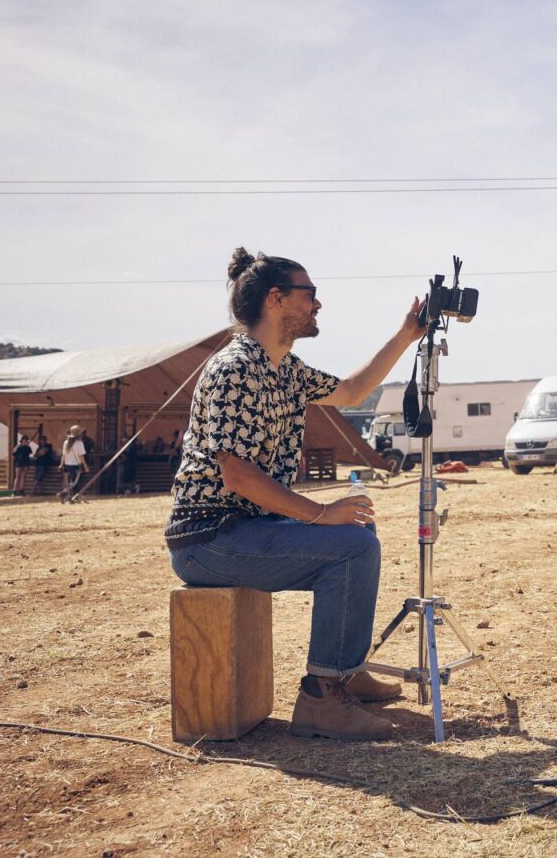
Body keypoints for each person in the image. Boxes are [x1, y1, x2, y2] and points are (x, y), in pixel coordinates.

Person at [165, 247, 427, 742]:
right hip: (208, 537)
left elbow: (351, 390)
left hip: (245, 527)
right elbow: (237, 476)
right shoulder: (235, 369)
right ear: (277, 299)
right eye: (310, 295)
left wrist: (405, 336)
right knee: (352, 546)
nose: (318, 305)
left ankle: (342, 672)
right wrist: (318, 513)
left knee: (358, 532)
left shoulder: (283, 368)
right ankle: (321, 698)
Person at [58, 425, 91, 502]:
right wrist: (85, 466)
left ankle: (75, 497)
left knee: (73, 482)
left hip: (67, 465)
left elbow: (64, 455)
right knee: (75, 482)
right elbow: (81, 456)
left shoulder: (66, 442)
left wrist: (61, 464)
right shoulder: (79, 443)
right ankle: (63, 493)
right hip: (76, 465)